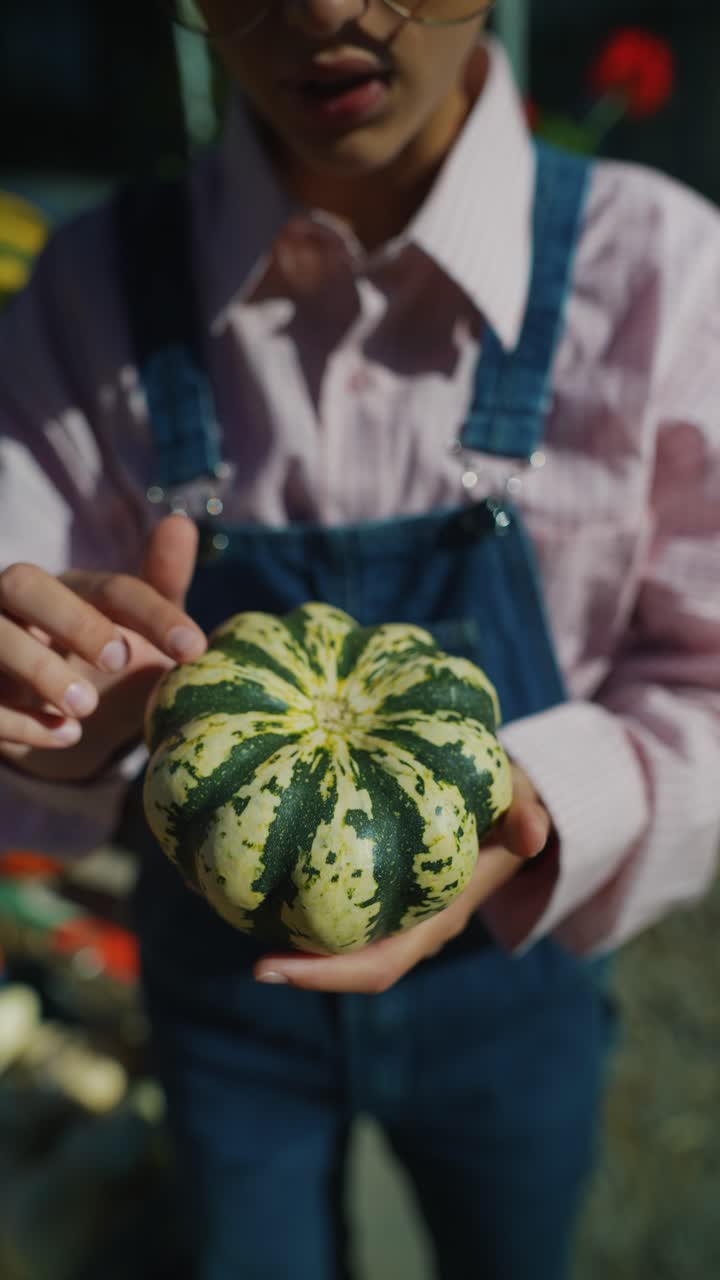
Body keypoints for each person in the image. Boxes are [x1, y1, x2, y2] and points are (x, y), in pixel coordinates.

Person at [1, 1, 719, 1276]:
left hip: (517, 979)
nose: (329, 7)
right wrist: (59, 722)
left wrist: (538, 800)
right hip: (223, 1007)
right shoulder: (88, 294)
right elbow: (24, 656)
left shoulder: (668, 273)